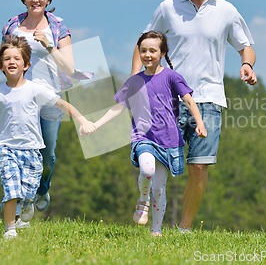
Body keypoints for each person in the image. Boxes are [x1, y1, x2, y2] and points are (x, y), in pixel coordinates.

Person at [131, 0, 258, 233]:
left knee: (199, 167)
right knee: (158, 165)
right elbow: (143, 43)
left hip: (209, 100)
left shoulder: (226, 10)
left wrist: (247, 65)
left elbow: (245, 46)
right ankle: (155, 225)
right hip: (168, 99)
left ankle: (184, 229)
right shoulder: (168, 8)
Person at [0, 35, 95, 239]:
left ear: (26, 65)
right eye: (7, 59)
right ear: (1, 66)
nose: (11, 62)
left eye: (16, 59)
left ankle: (26, 206)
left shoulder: (35, 89)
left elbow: (62, 104)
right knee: (11, 189)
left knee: (27, 193)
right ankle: (10, 230)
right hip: (7, 149)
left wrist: (82, 120)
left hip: (33, 150)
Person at [82, 31, 207, 236]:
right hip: (143, 137)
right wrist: (96, 125)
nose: (147, 54)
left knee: (159, 188)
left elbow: (189, 101)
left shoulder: (172, 77)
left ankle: (156, 231)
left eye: (152, 50)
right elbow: (118, 108)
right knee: (146, 170)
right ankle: (142, 199)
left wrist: (199, 123)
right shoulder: (134, 82)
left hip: (168, 140)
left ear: (162, 52)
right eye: (143, 50)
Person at [0, 0, 83, 217]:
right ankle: (24, 201)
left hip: (49, 96)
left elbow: (69, 68)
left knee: (47, 154)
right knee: (20, 151)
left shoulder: (59, 26)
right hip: (19, 97)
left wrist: (49, 45)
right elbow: (3, 52)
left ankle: (42, 189)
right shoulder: (13, 25)